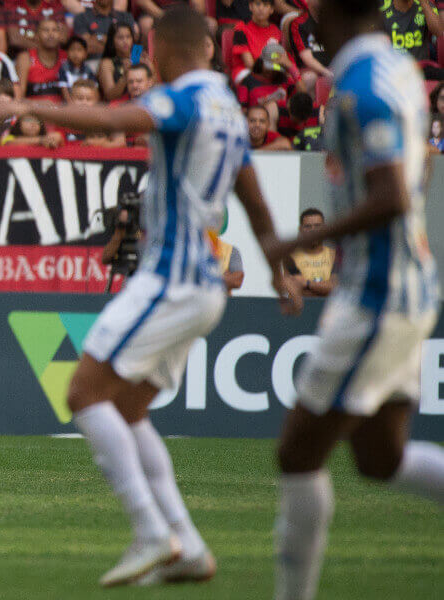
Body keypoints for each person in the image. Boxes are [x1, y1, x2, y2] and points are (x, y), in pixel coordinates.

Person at [0, 5, 299, 588]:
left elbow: (120, 116)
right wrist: (279, 270)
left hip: (171, 278)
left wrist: (28, 105)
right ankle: (187, 546)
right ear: (208, 49)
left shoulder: (182, 97)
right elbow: (255, 200)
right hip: (204, 285)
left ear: (157, 51)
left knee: (82, 391)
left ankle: (152, 532)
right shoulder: (230, 110)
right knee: (129, 410)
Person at [264, 2, 444, 599]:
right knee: (379, 459)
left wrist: (301, 238)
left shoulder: (363, 87)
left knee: (297, 453)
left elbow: (391, 195)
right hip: (405, 286)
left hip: (378, 293)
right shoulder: (397, 68)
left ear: (324, 15)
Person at [381, 0, 444, 79]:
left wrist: (423, 3)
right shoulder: (382, 7)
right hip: (392, 68)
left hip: (421, 68)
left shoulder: (426, 5)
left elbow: (439, 32)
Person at [283, 208, 336, 297]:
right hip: (302, 310)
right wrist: (323, 288)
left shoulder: (334, 256)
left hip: (328, 310)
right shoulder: (291, 257)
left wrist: (306, 283)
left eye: (317, 226)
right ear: (300, 229)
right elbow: (296, 292)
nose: (313, 230)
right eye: (308, 226)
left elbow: (335, 289)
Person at [15, 19, 66, 103]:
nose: (51, 34)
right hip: (33, 112)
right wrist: (40, 105)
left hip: (63, 112)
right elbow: (19, 97)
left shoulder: (66, 57)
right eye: (46, 30)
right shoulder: (26, 58)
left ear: (60, 35)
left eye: (55, 30)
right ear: (36, 35)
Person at [290, 0, 332, 79]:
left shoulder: (334, 20)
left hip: (333, 66)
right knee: (309, 78)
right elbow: (306, 57)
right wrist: (327, 72)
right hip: (312, 70)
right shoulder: (299, 23)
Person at [98, 22, 135, 101]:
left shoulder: (138, 54)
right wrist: (125, 76)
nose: (125, 41)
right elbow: (110, 96)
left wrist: (151, 69)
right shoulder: (107, 62)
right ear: (112, 41)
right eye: (120, 38)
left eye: (128, 37)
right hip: (117, 107)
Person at [58, 35, 96, 102]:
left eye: (79, 50)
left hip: (86, 102)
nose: (76, 54)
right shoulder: (64, 69)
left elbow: (93, 89)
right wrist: (72, 106)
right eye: (72, 50)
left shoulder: (88, 70)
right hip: (69, 104)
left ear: (85, 53)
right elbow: (64, 90)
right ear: (67, 52)